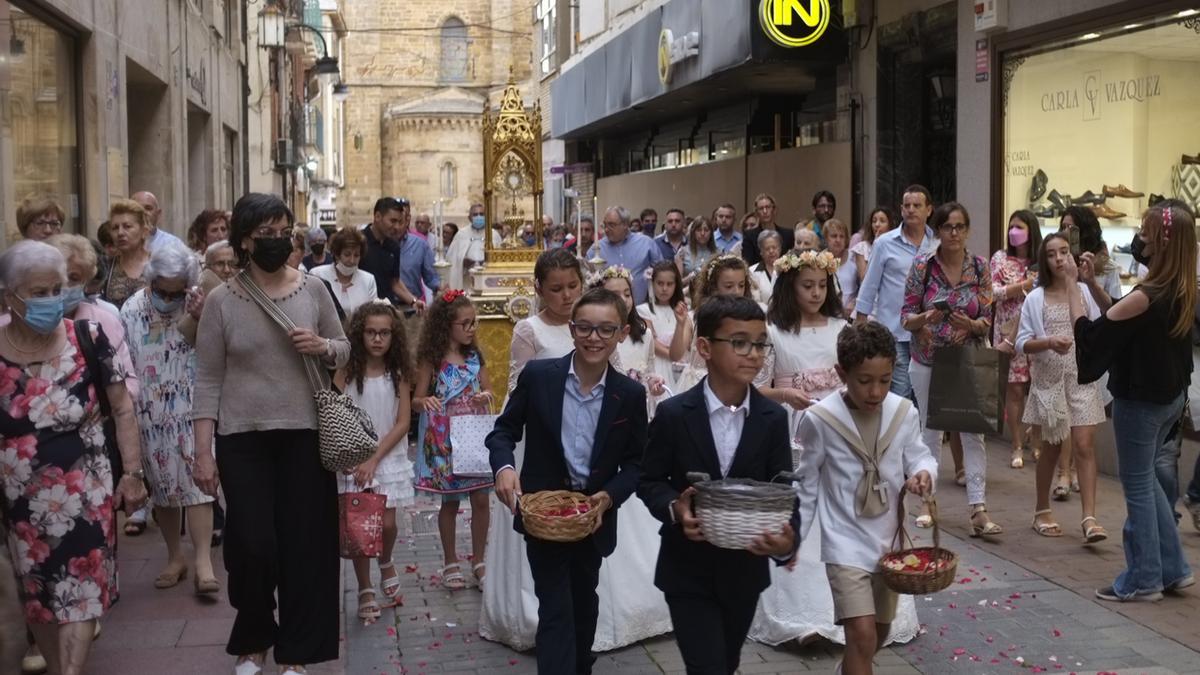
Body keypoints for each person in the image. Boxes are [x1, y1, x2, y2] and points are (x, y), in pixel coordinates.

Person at [480, 250, 672, 653]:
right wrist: (504, 468)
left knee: (584, 607)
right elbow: (504, 430)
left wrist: (609, 496)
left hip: (593, 519)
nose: (594, 338)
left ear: (621, 334)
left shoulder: (628, 394)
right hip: (542, 510)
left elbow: (638, 463)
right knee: (555, 611)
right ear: (572, 330)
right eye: (585, 328)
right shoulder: (540, 378)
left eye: (605, 331)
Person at [192, 193, 350, 673]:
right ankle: (254, 635)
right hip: (243, 438)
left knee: (305, 545)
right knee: (253, 544)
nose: (277, 241)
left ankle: (298, 653)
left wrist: (323, 345)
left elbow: (346, 350)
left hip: (305, 433)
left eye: (285, 232)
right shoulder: (221, 301)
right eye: (266, 234)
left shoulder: (314, 290)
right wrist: (203, 452)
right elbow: (207, 378)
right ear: (244, 240)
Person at [0, 240, 148, 675]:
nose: (51, 301)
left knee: (81, 592)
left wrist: (133, 474)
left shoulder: (89, 336)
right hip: (18, 500)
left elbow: (122, 407)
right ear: (8, 295)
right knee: (40, 598)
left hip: (87, 489)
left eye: (56, 289)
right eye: (38, 293)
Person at [638, 295, 798, 675]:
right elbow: (650, 480)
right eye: (739, 342)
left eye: (760, 344)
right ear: (705, 347)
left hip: (745, 569)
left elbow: (784, 489)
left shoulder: (772, 418)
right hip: (687, 569)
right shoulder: (675, 414)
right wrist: (675, 507)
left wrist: (789, 540)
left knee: (726, 663)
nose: (753, 354)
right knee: (706, 666)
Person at [1070, 200, 1196, 602]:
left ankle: (1144, 579)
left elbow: (1093, 337)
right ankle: (1174, 569)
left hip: (1143, 403)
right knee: (1151, 486)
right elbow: (1123, 322)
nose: (1138, 238)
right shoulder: (1180, 288)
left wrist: (1072, 285)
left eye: (1144, 231)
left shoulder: (1149, 294)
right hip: (1169, 399)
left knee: (1139, 487)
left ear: (1160, 239)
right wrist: (1092, 285)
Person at [794, 321, 937, 675]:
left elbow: (919, 456)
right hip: (844, 543)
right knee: (860, 634)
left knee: (878, 633)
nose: (875, 391)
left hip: (888, 544)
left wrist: (922, 474)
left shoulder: (903, 413)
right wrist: (792, 537)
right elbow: (807, 483)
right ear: (842, 373)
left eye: (885, 380)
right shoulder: (821, 420)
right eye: (864, 381)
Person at [118, 242, 220, 595]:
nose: (168, 298)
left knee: (197, 483)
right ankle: (174, 556)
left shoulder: (197, 302)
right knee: (162, 486)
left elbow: (214, 347)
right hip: (149, 409)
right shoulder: (131, 310)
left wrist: (202, 314)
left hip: (192, 406)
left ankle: (204, 561)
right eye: (162, 290)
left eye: (175, 292)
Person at [900, 202, 999, 536]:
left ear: (967, 230)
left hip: (967, 358)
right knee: (931, 431)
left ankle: (978, 508)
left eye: (959, 227)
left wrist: (970, 324)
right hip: (928, 358)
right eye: (947, 227)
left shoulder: (980, 267)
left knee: (974, 432)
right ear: (937, 231)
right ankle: (928, 502)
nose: (954, 233)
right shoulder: (922, 266)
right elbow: (906, 316)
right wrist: (923, 320)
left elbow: (987, 320)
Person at [1016, 233, 1108, 543]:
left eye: (1064, 252)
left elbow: (1098, 329)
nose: (1059, 258)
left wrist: (1080, 282)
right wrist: (1049, 342)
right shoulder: (1035, 297)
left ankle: (1090, 518)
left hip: (1081, 378)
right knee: (1053, 448)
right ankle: (1041, 509)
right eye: (1052, 253)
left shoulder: (1082, 291)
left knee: (1084, 445)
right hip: (1049, 381)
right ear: (1044, 260)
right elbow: (1021, 342)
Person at [334, 303, 415, 624]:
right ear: (359, 334)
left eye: (384, 333)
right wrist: (347, 454)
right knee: (359, 530)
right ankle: (365, 588)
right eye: (370, 332)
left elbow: (403, 422)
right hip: (355, 460)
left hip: (386, 456)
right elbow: (335, 412)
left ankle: (386, 560)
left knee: (387, 525)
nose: (377, 339)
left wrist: (375, 457)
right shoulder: (346, 372)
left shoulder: (399, 374)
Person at [411, 290, 494, 591]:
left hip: (472, 433)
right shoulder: (431, 360)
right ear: (447, 326)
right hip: (444, 438)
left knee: (481, 498)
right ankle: (449, 560)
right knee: (450, 501)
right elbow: (416, 399)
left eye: (474, 323)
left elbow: (487, 389)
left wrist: (485, 395)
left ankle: (480, 560)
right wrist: (427, 402)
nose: (472, 329)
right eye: (466, 323)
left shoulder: (475, 357)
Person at [855, 185, 937, 399]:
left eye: (917, 205)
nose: (911, 210)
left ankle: (920, 434)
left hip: (930, 334)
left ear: (929, 210)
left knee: (926, 399)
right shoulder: (884, 243)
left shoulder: (937, 244)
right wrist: (861, 321)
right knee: (900, 397)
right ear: (901, 210)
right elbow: (869, 284)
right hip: (894, 332)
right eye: (907, 206)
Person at [753, 250, 848, 434]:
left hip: (836, 419)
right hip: (792, 422)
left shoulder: (841, 328)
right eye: (807, 286)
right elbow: (756, 387)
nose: (816, 293)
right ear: (790, 287)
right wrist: (784, 394)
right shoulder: (773, 332)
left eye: (822, 285)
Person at [992, 210, 1042, 469]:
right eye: (1011, 226)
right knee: (1014, 389)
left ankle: (1037, 438)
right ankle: (1016, 444)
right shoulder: (1000, 258)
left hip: (1038, 331)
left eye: (1019, 227)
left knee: (1037, 387)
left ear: (1030, 230)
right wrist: (1023, 286)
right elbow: (994, 293)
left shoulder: (1040, 260)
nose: (1013, 232)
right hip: (1008, 333)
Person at [589, 267, 668, 413]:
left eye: (627, 294)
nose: (623, 300)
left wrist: (653, 383)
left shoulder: (645, 335)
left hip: (636, 409)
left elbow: (648, 372)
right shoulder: (593, 337)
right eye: (615, 295)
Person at [588, 206, 663, 305]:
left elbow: (663, 272)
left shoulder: (646, 244)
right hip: (608, 309)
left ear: (625, 224)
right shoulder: (596, 249)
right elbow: (587, 278)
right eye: (604, 225)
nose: (606, 229)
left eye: (611, 225)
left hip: (641, 308)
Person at [637, 261, 691, 386]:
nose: (664, 288)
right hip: (657, 366)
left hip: (681, 369)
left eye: (669, 284)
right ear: (652, 283)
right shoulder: (643, 310)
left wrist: (679, 356)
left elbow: (685, 341)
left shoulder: (682, 312)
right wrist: (674, 356)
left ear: (676, 285)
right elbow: (652, 342)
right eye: (660, 283)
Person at [309, 227, 379, 317]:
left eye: (356, 255)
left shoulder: (368, 280)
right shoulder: (317, 275)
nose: (352, 260)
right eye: (347, 254)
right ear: (337, 254)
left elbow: (372, 314)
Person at [102, 199, 153, 308]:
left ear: (144, 231)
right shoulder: (106, 266)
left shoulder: (158, 264)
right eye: (115, 228)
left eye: (127, 226)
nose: (120, 233)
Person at [360, 197, 407, 304]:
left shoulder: (394, 246)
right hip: (363, 308)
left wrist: (414, 301)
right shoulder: (359, 241)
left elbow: (394, 282)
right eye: (393, 221)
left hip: (387, 308)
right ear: (377, 217)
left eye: (399, 222)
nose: (397, 227)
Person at [447, 203, 501, 290]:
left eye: (481, 214)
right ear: (469, 218)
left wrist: (488, 261)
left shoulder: (494, 234)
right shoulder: (461, 234)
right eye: (475, 214)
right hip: (466, 281)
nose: (478, 217)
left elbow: (500, 259)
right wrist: (462, 262)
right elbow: (452, 260)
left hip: (488, 281)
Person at [742, 193, 795, 267]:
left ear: (774, 209)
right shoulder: (749, 236)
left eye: (768, 207)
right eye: (761, 208)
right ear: (757, 213)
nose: (765, 211)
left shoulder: (788, 234)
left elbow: (792, 260)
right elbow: (748, 263)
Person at [850, 208, 895, 287]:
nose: (877, 224)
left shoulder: (895, 248)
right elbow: (864, 279)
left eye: (882, 221)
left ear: (889, 225)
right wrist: (876, 247)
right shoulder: (862, 248)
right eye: (874, 221)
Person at [823, 219, 858, 314]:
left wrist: (855, 302)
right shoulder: (819, 259)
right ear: (826, 238)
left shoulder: (855, 257)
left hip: (851, 313)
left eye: (842, 236)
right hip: (827, 312)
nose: (838, 240)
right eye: (834, 236)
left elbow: (864, 286)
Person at [677, 217, 718, 289]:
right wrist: (692, 276)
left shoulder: (718, 252)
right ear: (693, 232)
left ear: (711, 233)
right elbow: (677, 283)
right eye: (699, 230)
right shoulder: (682, 252)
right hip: (688, 295)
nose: (702, 233)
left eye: (706, 230)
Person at [750, 230, 783, 306]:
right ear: (761, 252)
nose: (771, 251)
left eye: (774, 247)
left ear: (780, 249)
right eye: (767, 249)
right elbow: (755, 301)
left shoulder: (788, 269)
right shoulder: (752, 271)